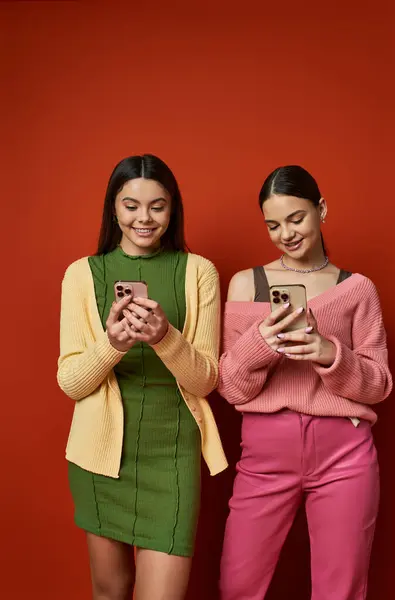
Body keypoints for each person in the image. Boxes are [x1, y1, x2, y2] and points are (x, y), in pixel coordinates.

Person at [218, 165, 392, 600]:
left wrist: (328, 352)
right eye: (273, 225)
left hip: (345, 454)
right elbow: (232, 388)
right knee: (238, 586)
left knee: (341, 590)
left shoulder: (357, 290)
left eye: (296, 218)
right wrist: (263, 340)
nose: (286, 234)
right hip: (265, 454)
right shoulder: (246, 284)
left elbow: (379, 385)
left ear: (321, 209)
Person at [57, 154, 227, 600]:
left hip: (171, 456)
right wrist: (112, 344)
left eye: (158, 205)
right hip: (101, 460)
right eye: (131, 205)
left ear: (173, 209)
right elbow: (72, 382)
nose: (144, 218)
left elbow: (206, 380)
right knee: (110, 593)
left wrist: (165, 337)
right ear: (113, 208)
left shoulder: (199, 272)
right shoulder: (81, 275)